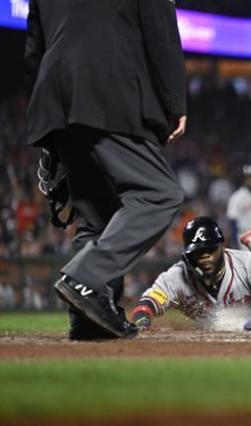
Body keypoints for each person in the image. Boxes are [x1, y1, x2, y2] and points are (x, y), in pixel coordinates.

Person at [25, 0, 187, 339]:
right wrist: (174, 102)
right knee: (159, 195)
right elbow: (161, 34)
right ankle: (84, 278)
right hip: (108, 86)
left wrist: (56, 112)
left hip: (55, 92)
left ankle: (88, 317)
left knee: (98, 212)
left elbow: (34, 50)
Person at [130, 217, 251, 331]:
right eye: (198, 252)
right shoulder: (177, 276)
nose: (205, 256)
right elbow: (148, 302)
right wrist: (142, 320)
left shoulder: (246, 262)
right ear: (187, 255)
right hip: (243, 320)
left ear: (222, 247)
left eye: (210, 250)